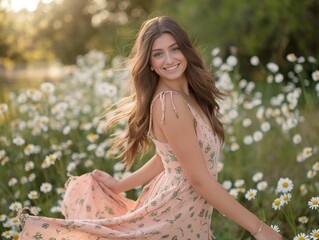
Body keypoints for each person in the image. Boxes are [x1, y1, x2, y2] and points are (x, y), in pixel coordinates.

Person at [18, 16, 282, 240]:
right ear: (150, 63)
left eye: (174, 49)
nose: (169, 59)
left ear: (186, 51)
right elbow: (199, 180)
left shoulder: (187, 95)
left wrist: (121, 185)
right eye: (158, 54)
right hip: (175, 211)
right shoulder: (171, 104)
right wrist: (258, 228)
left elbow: (165, 157)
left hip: (187, 210)